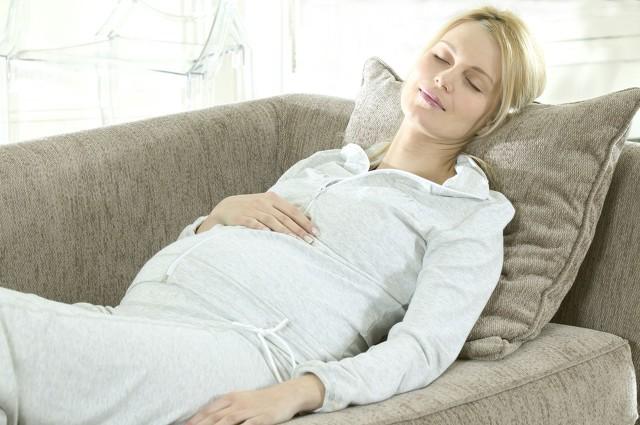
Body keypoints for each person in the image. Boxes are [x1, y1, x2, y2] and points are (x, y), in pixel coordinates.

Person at [0, 5, 546, 425]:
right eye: (442, 58)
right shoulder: (331, 163)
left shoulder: (467, 215)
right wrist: (216, 217)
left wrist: (301, 391)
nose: (446, 79)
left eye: (474, 82)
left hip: (239, 349)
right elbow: (235, 240)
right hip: (140, 319)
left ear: (490, 117)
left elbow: (423, 348)